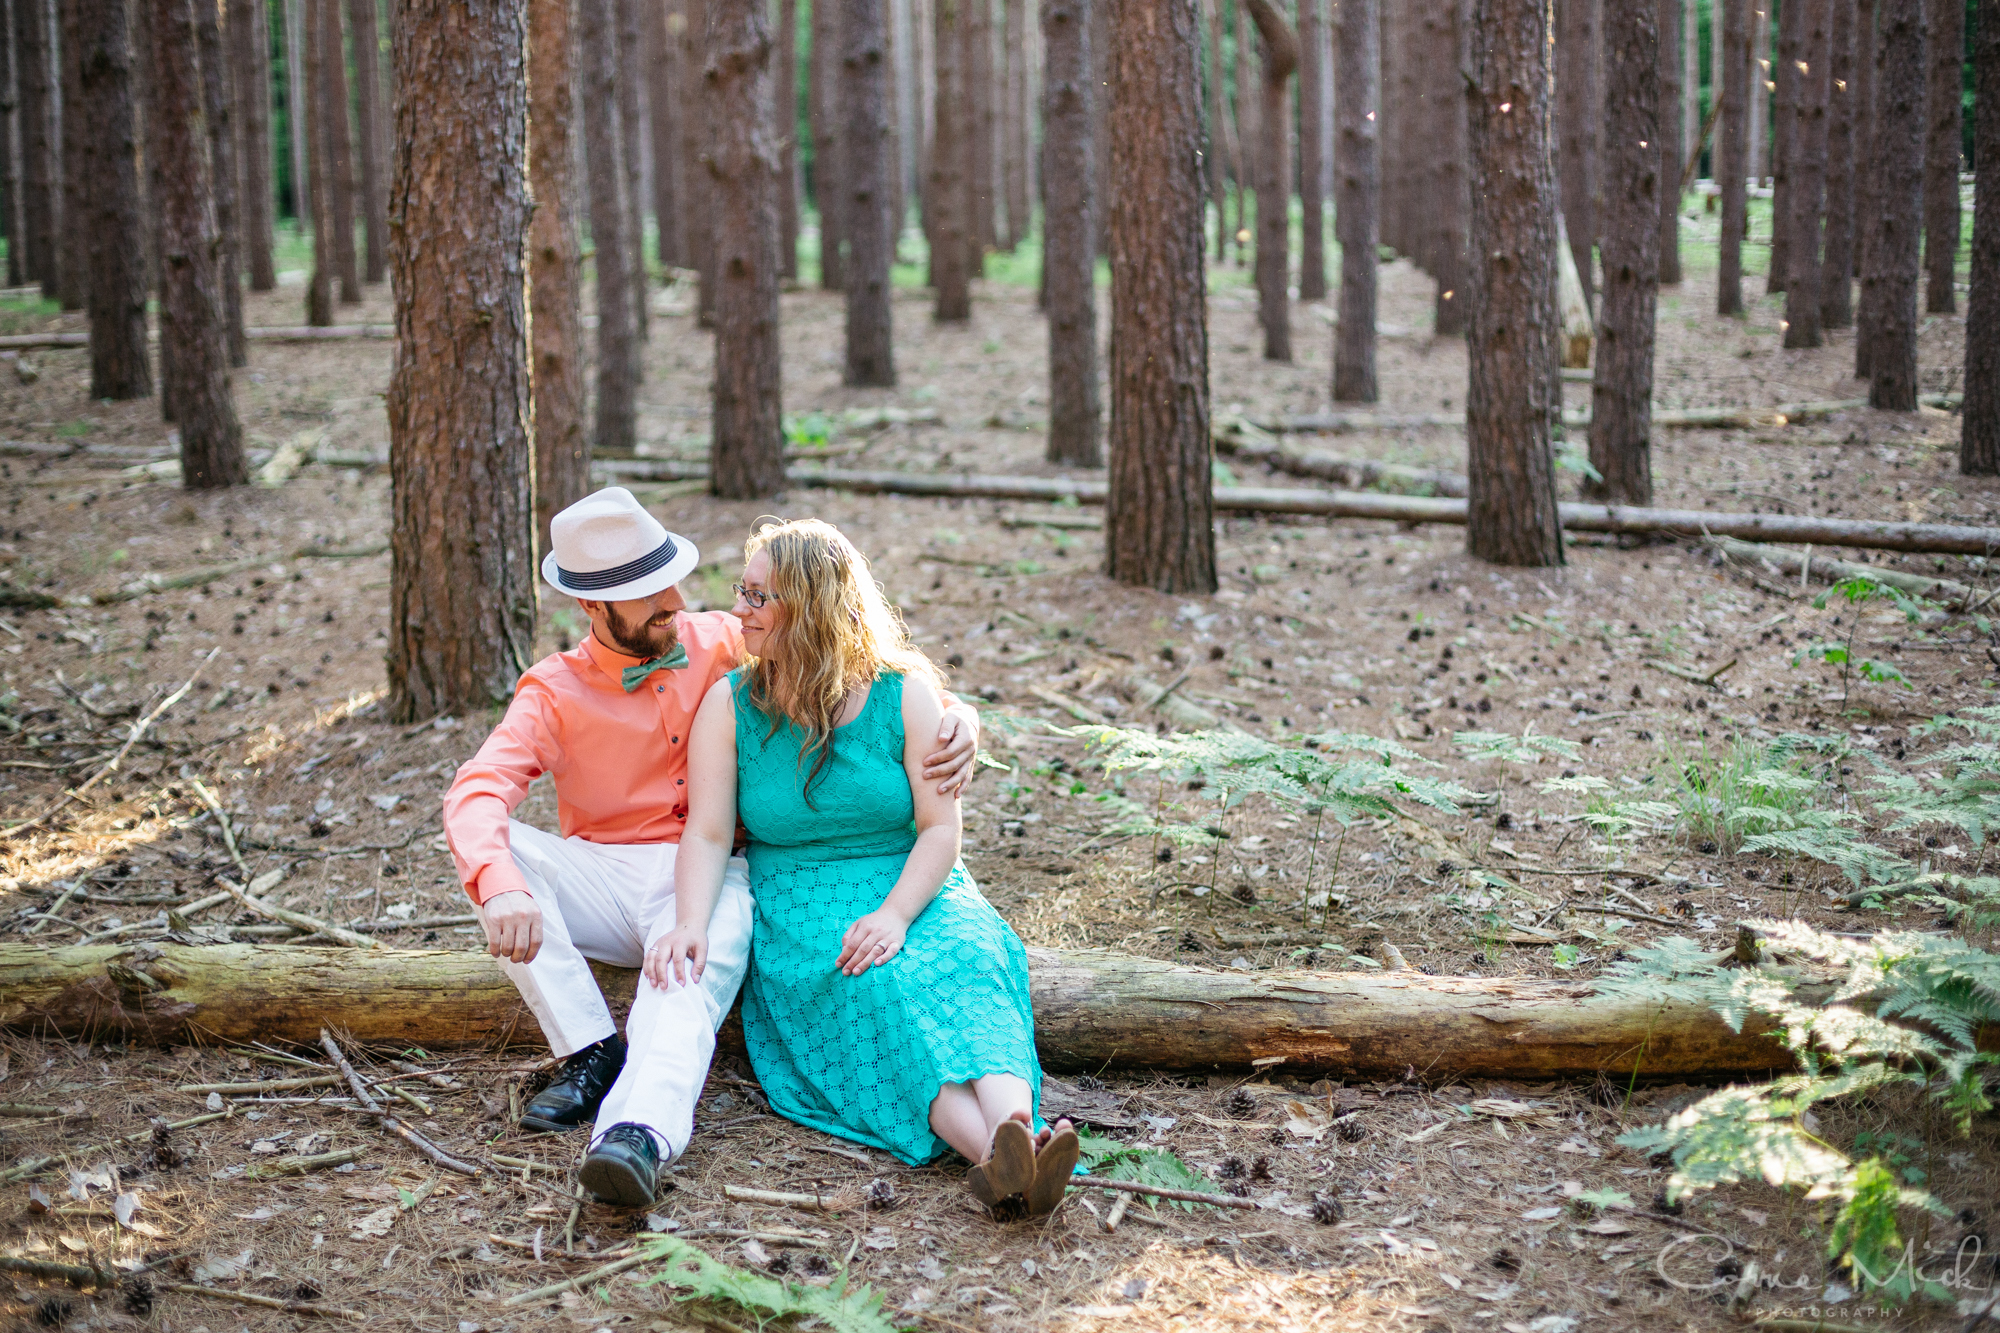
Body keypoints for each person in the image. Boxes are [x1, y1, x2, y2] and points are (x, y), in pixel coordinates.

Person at [442, 488, 982, 1207]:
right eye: (645, 595)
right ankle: (588, 1047)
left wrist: (960, 715)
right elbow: (476, 790)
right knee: (495, 848)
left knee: (685, 967)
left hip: (709, 866)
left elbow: (848, 659)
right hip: (602, 871)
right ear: (594, 609)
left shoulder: (724, 639)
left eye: (669, 579)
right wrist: (501, 881)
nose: (671, 601)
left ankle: (635, 1133)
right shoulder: (552, 691)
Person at [654, 518, 1077, 1217]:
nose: (740, 610)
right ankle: (1007, 1159)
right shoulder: (731, 705)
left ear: (811, 604)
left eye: (758, 596)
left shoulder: (901, 692)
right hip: (802, 896)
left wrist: (896, 912)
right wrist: (689, 922)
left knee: (970, 956)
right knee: (880, 988)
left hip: (914, 879)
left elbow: (942, 829)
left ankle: (1018, 1135)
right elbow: (706, 832)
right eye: (743, 591)